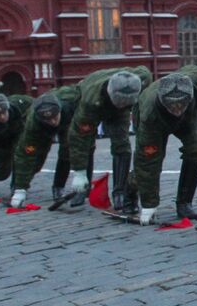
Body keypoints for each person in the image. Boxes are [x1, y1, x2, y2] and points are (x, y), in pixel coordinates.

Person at [132, 66, 197, 224]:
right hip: (157, 120)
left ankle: (184, 203)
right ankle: (129, 194)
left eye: (180, 105)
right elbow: (147, 163)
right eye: (173, 106)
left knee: (196, 150)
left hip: (190, 115)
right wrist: (149, 205)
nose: (177, 110)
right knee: (149, 158)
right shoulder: (148, 114)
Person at [64, 68, 151, 210]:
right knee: (87, 145)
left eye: (126, 102)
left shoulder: (139, 80)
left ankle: (119, 192)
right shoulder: (89, 102)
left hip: (119, 112)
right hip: (96, 103)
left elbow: (146, 73)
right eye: (120, 102)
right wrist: (78, 172)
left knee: (122, 146)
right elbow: (78, 138)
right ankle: (82, 189)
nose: (122, 104)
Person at [9, 91, 76, 208]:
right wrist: (20, 190)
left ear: (59, 110)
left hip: (67, 124)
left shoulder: (69, 108)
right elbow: (25, 156)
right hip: (42, 132)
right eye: (48, 120)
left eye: (55, 117)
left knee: (67, 152)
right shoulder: (33, 123)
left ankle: (58, 188)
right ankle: (17, 186)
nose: (53, 122)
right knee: (36, 161)